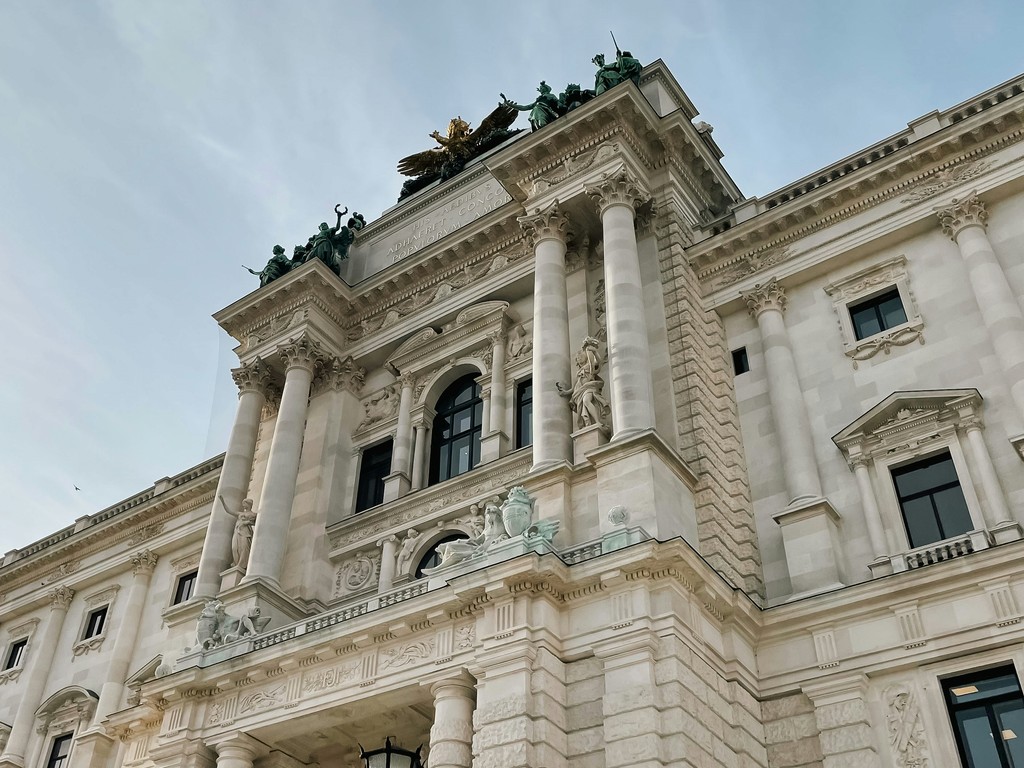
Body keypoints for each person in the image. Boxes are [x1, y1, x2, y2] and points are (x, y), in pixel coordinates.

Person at [218, 495, 256, 572]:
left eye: (244, 503)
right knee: (235, 548)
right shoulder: (240, 513)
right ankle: (237, 562)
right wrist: (222, 501)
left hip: (246, 532)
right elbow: (228, 511)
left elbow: (255, 522)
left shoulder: (253, 515)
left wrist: (246, 522)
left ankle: (242, 564)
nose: (243, 505)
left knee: (244, 547)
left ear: (248, 504)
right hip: (238, 532)